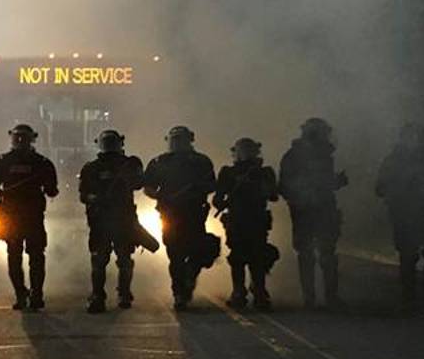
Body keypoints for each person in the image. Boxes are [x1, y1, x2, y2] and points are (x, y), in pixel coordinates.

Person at [143, 126, 217, 310]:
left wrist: (196, 189)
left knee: (198, 252)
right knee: (175, 256)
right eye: (174, 139)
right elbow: (148, 187)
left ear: (189, 140)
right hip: (170, 214)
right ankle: (179, 294)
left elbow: (211, 185)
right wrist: (162, 197)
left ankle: (189, 278)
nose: (177, 143)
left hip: (194, 213)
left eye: (181, 139)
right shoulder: (160, 162)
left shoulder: (200, 161)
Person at [375, 123, 424, 309]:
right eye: (411, 136)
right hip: (403, 212)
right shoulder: (394, 160)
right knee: (408, 253)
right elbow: (380, 187)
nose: (415, 141)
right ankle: (409, 292)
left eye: (419, 136)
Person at [0, 124, 59, 310]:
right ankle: (30, 294)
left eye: (21, 138)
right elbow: (52, 191)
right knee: (30, 256)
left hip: (22, 217)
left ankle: (27, 294)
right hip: (23, 217)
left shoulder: (4, 161)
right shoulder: (41, 163)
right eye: (17, 138)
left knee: (20, 256)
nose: (19, 141)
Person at [279, 118, 348, 309]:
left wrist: (334, 182)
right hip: (305, 210)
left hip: (320, 209)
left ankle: (325, 297)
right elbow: (285, 186)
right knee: (310, 254)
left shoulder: (324, 155)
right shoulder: (295, 156)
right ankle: (313, 298)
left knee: (324, 253)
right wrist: (302, 195)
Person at [79, 129, 144, 313]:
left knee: (106, 260)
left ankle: (106, 295)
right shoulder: (96, 167)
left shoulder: (97, 167)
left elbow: (83, 195)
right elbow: (84, 195)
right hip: (110, 220)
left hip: (112, 220)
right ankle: (116, 294)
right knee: (118, 259)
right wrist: (96, 198)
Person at [214, 138, 279, 311]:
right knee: (237, 257)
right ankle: (238, 291)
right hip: (237, 219)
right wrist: (225, 200)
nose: (246, 154)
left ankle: (258, 290)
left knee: (258, 255)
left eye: (249, 150)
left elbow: (273, 195)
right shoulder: (228, 172)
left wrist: (259, 182)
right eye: (242, 150)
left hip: (257, 219)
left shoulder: (264, 172)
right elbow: (218, 198)